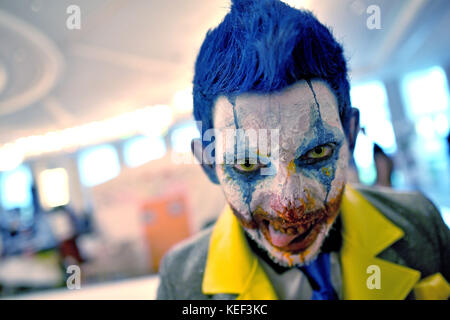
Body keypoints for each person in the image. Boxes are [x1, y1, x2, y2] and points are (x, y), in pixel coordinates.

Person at [157, 0, 449, 300]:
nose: (289, 206)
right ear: (208, 162)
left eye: (318, 153)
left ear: (350, 135)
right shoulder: (181, 281)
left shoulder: (420, 223)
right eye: (246, 164)